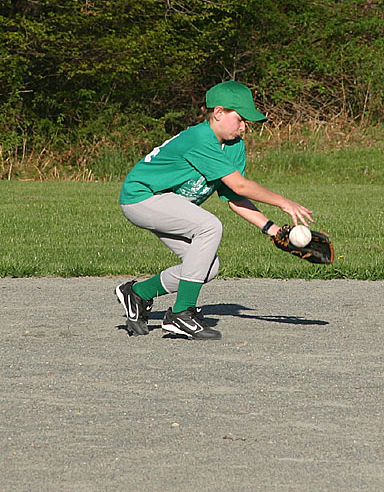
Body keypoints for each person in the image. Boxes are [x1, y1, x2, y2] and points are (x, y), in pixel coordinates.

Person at [115, 80, 313, 340]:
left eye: (247, 123)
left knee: (207, 267)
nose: (244, 127)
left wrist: (272, 229)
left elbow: (234, 196)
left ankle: (138, 293)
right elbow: (241, 185)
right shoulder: (199, 138)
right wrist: (283, 201)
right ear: (218, 113)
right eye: (240, 119)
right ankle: (181, 313)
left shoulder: (234, 146)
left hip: (168, 204)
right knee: (209, 226)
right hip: (143, 197)